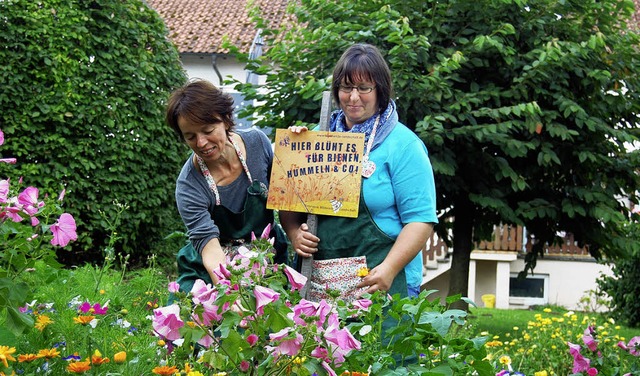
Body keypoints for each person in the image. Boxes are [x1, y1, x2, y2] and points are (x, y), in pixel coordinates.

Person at [281, 43, 438, 299]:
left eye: (364, 88)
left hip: (383, 282)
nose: (353, 97)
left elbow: (421, 219)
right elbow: (288, 201)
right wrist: (294, 232)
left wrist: (389, 268)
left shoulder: (403, 145)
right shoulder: (317, 139)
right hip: (322, 287)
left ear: (380, 91)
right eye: (346, 87)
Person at [166, 79, 287, 293]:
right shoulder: (189, 185)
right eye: (190, 137)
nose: (201, 143)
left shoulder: (257, 144)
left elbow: (288, 195)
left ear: (225, 120)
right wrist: (231, 293)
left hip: (266, 256)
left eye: (207, 130)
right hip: (212, 271)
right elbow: (211, 250)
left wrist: (299, 141)